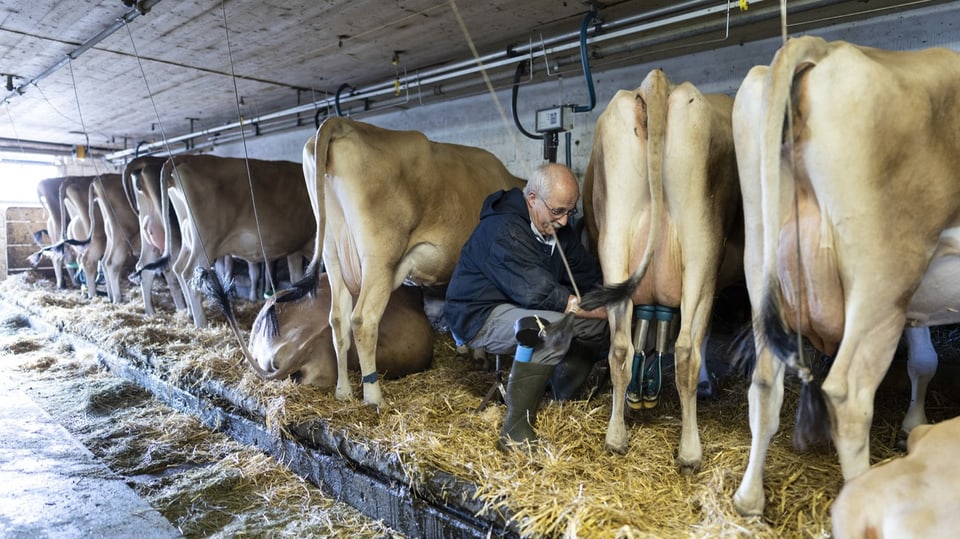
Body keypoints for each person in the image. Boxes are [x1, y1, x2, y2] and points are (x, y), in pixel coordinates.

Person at [444, 162, 608, 451]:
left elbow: (588, 277)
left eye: (571, 211)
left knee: (595, 323)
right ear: (532, 199)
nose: (565, 221)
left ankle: (562, 397)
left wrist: (607, 302)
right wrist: (597, 307)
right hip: (479, 314)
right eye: (558, 211)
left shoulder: (560, 230)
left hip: (523, 306)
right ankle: (514, 431)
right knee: (549, 328)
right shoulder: (503, 229)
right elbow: (539, 294)